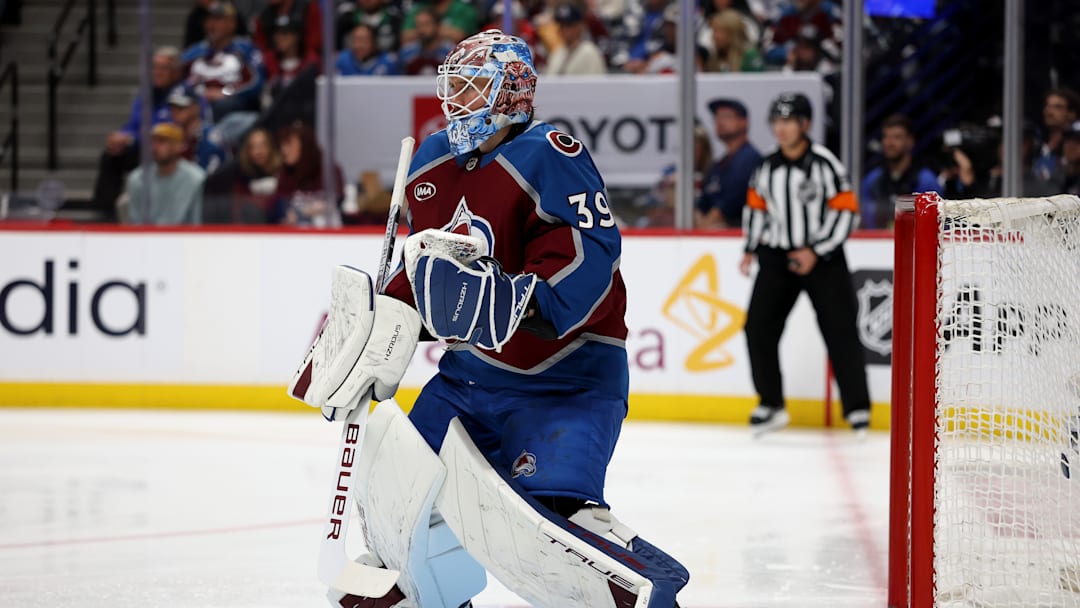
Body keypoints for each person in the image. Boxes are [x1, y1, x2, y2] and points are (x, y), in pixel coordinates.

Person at [288, 29, 688, 607]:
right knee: (398, 490)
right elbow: (426, 276)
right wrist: (377, 330)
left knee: (544, 526)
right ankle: (415, 589)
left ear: (513, 95)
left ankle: (637, 589)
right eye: (455, 87)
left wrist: (521, 301)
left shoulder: (551, 153)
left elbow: (590, 256)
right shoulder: (431, 162)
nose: (458, 102)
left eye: (474, 87)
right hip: (467, 381)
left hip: (565, 382)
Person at [740, 92, 870, 436]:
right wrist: (750, 247)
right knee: (758, 328)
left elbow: (847, 212)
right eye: (777, 121)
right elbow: (756, 208)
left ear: (805, 125)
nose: (781, 129)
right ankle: (771, 403)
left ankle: (857, 409)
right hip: (778, 257)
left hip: (824, 259)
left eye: (789, 121)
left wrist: (817, 250)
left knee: (840, 330)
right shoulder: (767, 167)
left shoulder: (825, 164)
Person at [91, 46, 188, 221]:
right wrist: (122, 136)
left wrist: (133, 138)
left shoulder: (185, 94)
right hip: (144, 146)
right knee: (111, 156)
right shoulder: (147, 93)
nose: (157, 72)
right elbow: (134, 124)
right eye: (154, 67)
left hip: (169, 150)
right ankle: (103, 215)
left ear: (176, 71)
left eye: (163, 68)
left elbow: (172, 127)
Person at [859, 113, 940, 229]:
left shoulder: (926, 181)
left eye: (897, 137)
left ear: (910, 141)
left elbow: (935, 225)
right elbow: (867, 224)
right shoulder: (872, 180)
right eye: (886, 137)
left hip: (915, 243)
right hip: (878, 243)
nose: (890, 143)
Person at [123, 123, 205, 225]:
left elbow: (197, 222)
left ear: (179, 146)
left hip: (184, 238)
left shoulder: (196, 178)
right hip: (146, 239)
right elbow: (134, 222)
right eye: (153, 142)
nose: (155, 147)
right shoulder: (137, 179)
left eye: (162, 141)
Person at [696, 98, 761, 228]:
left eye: (726, 116)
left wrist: (704, 227)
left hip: (737, 233)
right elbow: (701, 203)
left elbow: (728, 206)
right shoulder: (718, 165)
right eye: (716, 117)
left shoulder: (749, 159)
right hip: (712, 235)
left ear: (743, 122)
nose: (720, 122)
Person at [272, 121, 345, 226]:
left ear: (305, 145)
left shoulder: (330, 171)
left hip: (328, 232)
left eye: (288, 144)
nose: (284, 150)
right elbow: (281, 205)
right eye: (282, 144)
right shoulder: (285, 172)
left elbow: (338, 200)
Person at [202, 127, 281, 223]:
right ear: (247, 151)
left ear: (271, 147)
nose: (259, 151)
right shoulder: (237, 174)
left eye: (263, 145)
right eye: (254, 147)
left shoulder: (282, 173)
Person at [544, 3, 608, 75]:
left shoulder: (590, 51)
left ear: (580, 26)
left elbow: (596, 84)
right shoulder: (557, 52)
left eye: (569, 25)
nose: (564, 30)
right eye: (561, 26)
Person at [336, 22, 401, 75]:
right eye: (355, 40)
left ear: (374, 42)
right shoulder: (341, 60)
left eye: (364, 41)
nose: (359, 45)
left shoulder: (389, 62)